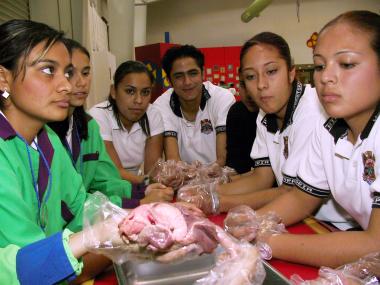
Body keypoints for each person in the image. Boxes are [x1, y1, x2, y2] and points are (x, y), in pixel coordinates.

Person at [245, 10, 380, 268]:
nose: (325, 77)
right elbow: (301, 197)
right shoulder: (328, 127)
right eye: (320, 65)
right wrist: (250, 224)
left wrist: (267, 241)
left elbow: (376, 244)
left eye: (347, 64)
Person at [181, 32, 349, 227]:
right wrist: (208, 191)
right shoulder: (264, 115)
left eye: (271, 71)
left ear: (291, 73)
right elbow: (262, 177)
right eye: (251, 77)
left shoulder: (313, 111)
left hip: (335, 226)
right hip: (305, 217)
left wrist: (220, 201)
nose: (261, 85)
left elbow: (291, 192)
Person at [0, 19, 119, 284]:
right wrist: (101, 236)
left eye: (66, 72)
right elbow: (30, 265)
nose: (67, 85)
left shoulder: (47, 140)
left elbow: (81, 208)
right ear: (3, 78)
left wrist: (134, 217)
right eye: (47, 70)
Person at [49, 40, 173, 208]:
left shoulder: (87, 125)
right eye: (69, 73)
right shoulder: (44, 132)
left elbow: (104, 181)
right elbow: (70, 205)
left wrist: (143, 190)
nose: (81, 82)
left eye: (85, 73)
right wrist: (139, 201)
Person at [153, 45, 236, 166]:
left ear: (202, 73)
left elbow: (222, 160)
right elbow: (174, 160)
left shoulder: (222, 98)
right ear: (169, 80)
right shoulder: (161, 105)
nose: (187, 82)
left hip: (220, 175)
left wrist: (206, 179)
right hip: (183, 178)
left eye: (192, 73)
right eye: (179, 76)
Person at [89, 61, 164, 184]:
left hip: (136, 185)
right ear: (113, 91)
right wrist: (146, 183)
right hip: (102, 187)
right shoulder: (98, 115)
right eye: (130, 91)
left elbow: (153, 171)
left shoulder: (153, 114)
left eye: (145, 92)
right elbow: (114, 171)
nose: (139, 100)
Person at [225, 78, 259, 174]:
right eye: (243, 85)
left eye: (254, 83)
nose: (249, 94)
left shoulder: (275, 115)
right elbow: (234, 157)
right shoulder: (236, 111)